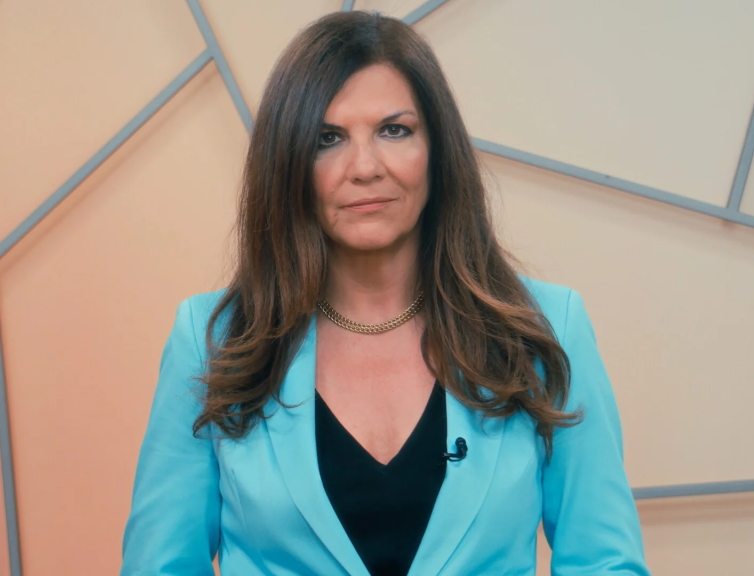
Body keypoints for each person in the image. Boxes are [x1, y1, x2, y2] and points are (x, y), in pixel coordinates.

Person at [120, 10, 649, 576]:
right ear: (288, 163)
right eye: (327, 138)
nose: (365, 167)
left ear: (437, 149)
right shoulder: (211, 343)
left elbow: (605, 563)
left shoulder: (547, 328)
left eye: (394, 130)